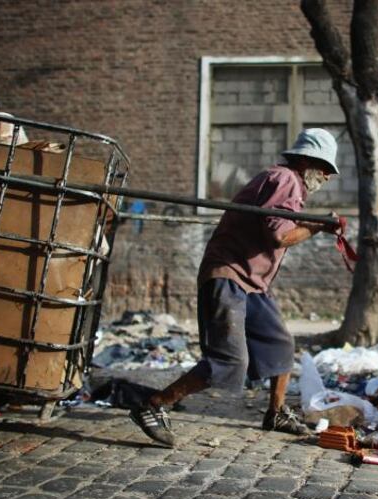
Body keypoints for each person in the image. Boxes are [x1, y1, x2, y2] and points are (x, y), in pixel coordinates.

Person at [129, 128, 341, 446]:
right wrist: (317, 226)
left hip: (252, 283)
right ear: (306, 160)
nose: (326, 176)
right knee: (229, 360)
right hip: (229, 276)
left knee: (280, 345)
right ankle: (154, 405)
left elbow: (280, 228)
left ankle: (277, 412)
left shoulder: (288, 184)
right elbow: (280, 235)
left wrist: (314, 225)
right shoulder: (285, 179)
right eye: (324, 167)